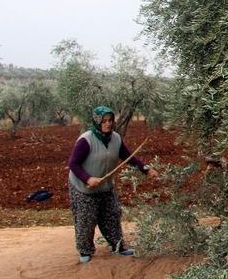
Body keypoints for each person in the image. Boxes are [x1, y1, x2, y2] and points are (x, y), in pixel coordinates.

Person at [66, 106, 159, 264]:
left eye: (110, 121)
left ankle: (118, 246)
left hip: (105, 187)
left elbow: (128, 157)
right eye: (104, 121)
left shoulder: (115, 138)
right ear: (97, 122)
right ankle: (85, 250)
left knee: (112, 215)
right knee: (86, 220)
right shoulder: (86, 140)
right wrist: (88, 179)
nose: (108, 124)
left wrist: (146, 169)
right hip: (83, 189)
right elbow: (73, 164)